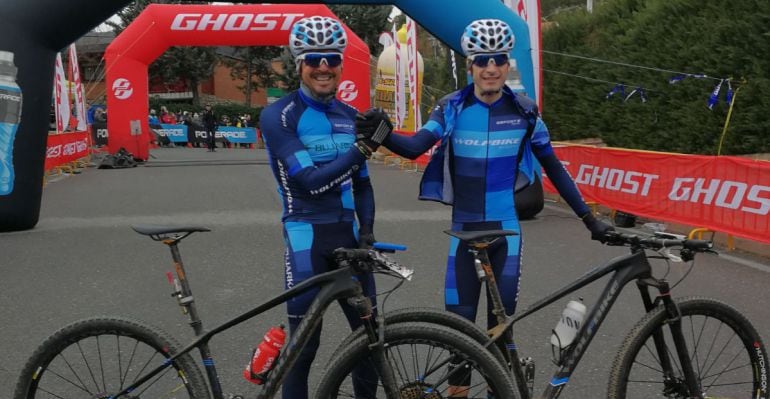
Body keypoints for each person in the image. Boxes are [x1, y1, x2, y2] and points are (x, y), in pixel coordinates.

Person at [356, 18, 613, 390]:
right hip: (464, 233)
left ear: (507, 64)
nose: (490, 68)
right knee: (458, 331)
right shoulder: (452, 108)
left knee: (499, 329)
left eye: (497, 59)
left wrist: (590, 220)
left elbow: (554, 169)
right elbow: (415, 148)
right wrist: (381, 132)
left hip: (505, 233)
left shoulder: (525, 112)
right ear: (470, 65)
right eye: (481, 60)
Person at [259, 15, 384, 399]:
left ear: (342, 64)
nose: (324, 66)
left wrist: (367, 232)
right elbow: (310, 182)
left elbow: (362, 185)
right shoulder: (279, 115)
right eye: (314, 59)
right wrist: (362, 148)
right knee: (303, 347)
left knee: (371, 341)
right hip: (305, 237)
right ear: (300, 64)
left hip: (348, 237)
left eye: (332, 58)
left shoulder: (350, 116)